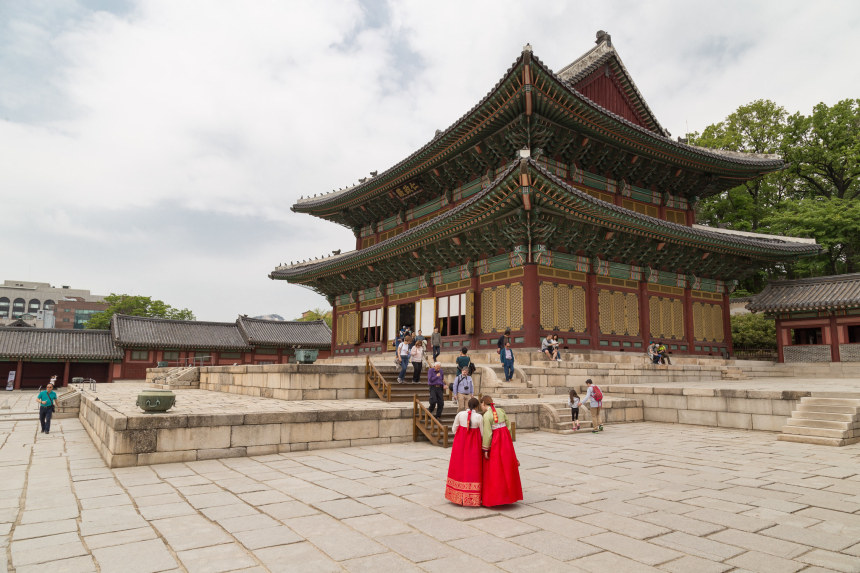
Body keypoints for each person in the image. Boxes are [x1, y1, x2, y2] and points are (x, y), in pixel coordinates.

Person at [479, 395, 522, 506]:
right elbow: (508, 426)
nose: (481, 407)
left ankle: (497, 497)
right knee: (507, 466)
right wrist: (508, 438)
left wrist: (486, 449)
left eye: (481, 405)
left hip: (496, 443)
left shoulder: (486, 416)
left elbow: (488, 434)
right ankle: (510, 494)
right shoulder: (501, 411)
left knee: (496, 469)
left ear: (483, 403)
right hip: (506, 441)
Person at [445, 397, 483, 506]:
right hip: (474, 446)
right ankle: (472, 496)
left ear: (468, 405)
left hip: (460, 444)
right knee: (472, 468)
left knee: (459, 466)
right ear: (477, 406)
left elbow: (453, 429)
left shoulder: (460, 414)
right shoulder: (479, 417)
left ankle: (457, 495)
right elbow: (481, 433)